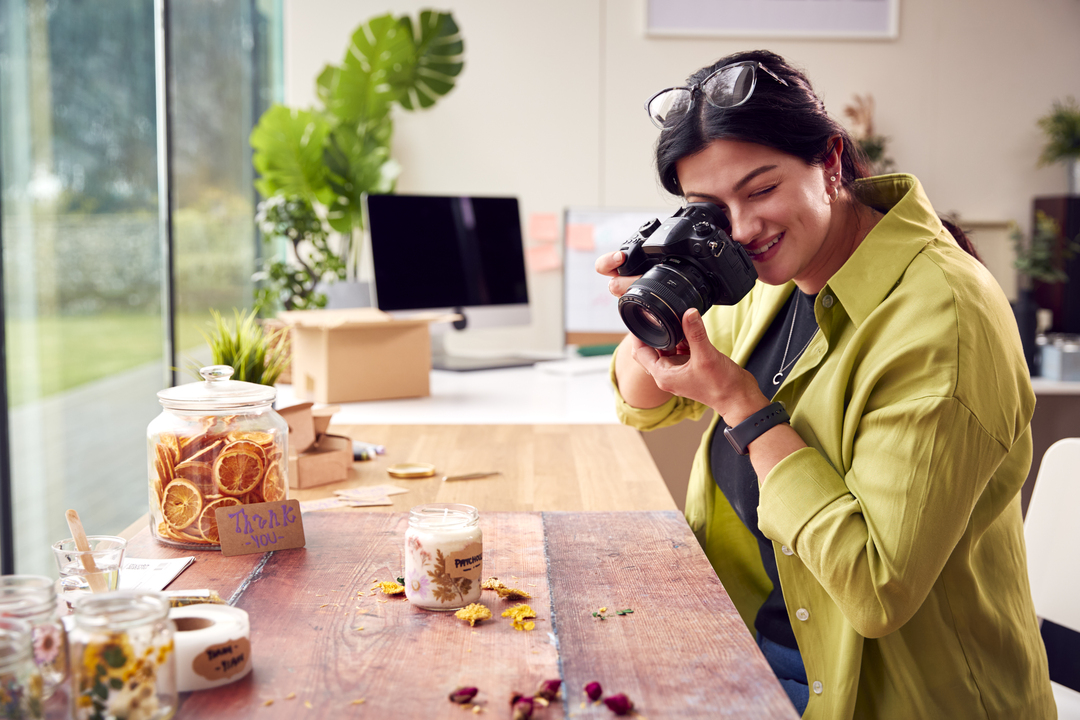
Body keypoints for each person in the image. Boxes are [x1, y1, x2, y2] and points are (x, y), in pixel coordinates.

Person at [597, 49, 1055, 719]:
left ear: (830, 162)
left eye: (761, 189)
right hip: (755, 657)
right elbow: (642, 407)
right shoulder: (773, 274)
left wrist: (742, 407)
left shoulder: (944, 317)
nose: (744, 229)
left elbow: (876, 592)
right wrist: (653, 310)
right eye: (712, 209)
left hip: (891, 696)